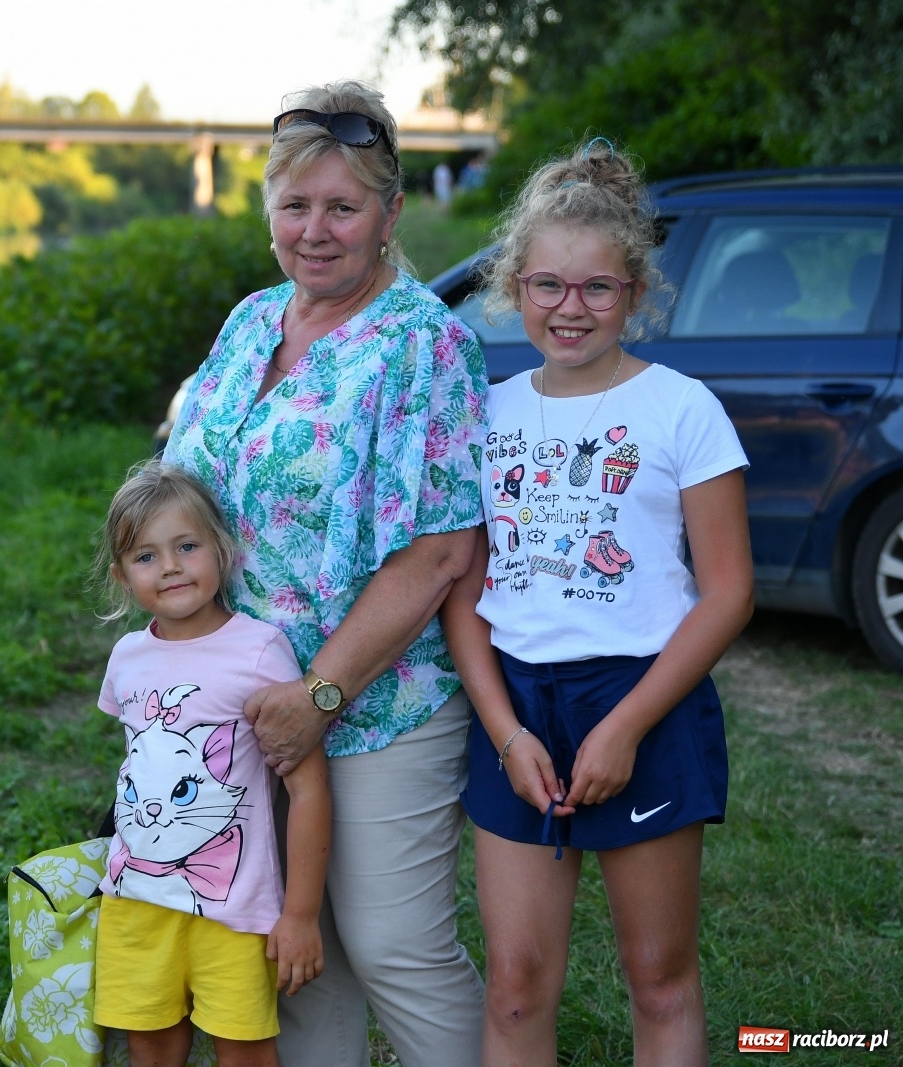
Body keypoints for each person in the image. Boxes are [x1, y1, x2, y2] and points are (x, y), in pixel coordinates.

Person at [164, 81, 488, 1066]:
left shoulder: (425, 343)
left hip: (379, 701)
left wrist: (319, 692)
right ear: (266, 213)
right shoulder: (250, 321)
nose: (316, 230)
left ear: (389, 215)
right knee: (289, 946)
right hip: (243, 707)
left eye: (342, 207)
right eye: (294, 206)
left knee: (392, 940)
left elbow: (438, 550)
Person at [441, 139, 753, 1066]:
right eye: (545, 285)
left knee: (658, 977)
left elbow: (730, 590)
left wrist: (624, 726)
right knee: (515, 983)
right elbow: (466, 596)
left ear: (636, 290)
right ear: (512, 285)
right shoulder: (490, 412)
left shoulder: (683, 409)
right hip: (519, 709)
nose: (568, 308)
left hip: (643, 697)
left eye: (596, 289)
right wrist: (504, 731)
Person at [92, 461, 331, 1067]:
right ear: (121, 575)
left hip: (235, 909)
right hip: (136, 900)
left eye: (186, 546)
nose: (170, 566)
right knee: (149, 1047)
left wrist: (300, 913)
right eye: (145, 557)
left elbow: (307, 791)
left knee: (245, 1051)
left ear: (223, 551)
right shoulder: (127, 657)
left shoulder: (258, 652)